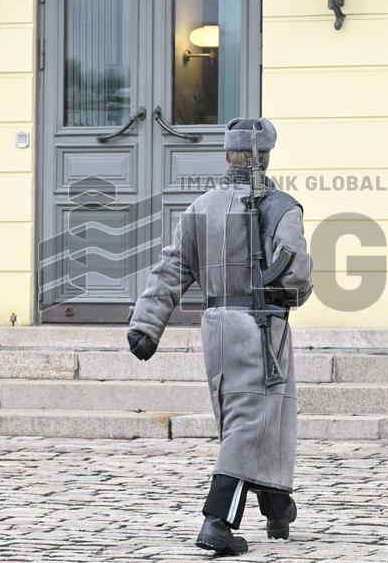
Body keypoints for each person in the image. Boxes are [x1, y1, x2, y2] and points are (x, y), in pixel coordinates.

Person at [127, 117, 313, 556]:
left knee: (250, 416)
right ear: (265, 155)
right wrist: (296, 293)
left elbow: (172, 268)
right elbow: (297, 275)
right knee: (252, 421)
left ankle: (277, 505)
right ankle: (218, 521)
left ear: (227, 154)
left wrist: (146, 325)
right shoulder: (282, 207)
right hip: (261, 324)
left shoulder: (201, 207)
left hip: (214, 325)